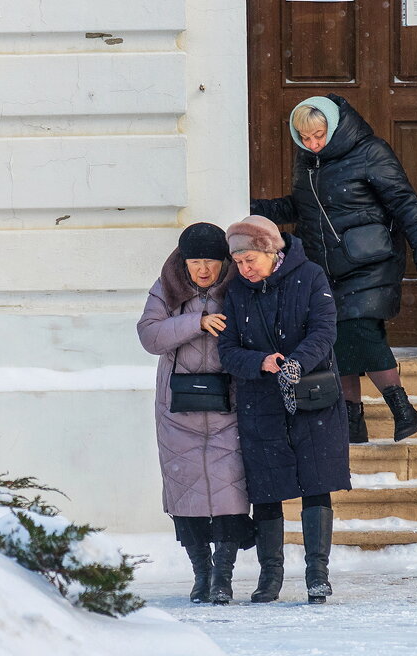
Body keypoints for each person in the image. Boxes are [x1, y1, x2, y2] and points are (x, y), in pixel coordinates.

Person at [251, 95, 417, 444]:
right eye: (305, 138)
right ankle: (353, 422)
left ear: (334, 126)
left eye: (319, 135)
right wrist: (257, 208)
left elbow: (403, 200)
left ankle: (403, 410)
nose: (313, 143)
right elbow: (306, 206)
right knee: (337, 340)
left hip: (370, 261)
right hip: (326, 265)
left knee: (361, 333)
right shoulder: (308, 161)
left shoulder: (370, 151)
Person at [216, 215, 351, 604]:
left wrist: (296, 363)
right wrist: (260, 362)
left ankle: (317, 575)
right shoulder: (237, 292)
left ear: (272, 252)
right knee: (268, 489)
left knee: (316, 482)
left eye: (250, 260)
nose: (243, 269)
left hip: (313, 397)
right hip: (261, 402)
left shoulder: (309, 276)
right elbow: (228, 351)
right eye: (238, 262)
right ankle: (270, 576)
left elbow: (325, 330)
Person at [136, 222, 253, 605]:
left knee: (230, 494)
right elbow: (150, 336)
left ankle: (223, 575)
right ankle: (200, 573)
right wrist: (196, 322)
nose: (203, 270)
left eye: (211, 261)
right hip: (178, 409)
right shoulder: (166, 286)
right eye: (195, 261)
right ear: (183, 262)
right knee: (185, 494)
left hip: (229, 405)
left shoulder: (239, 287)